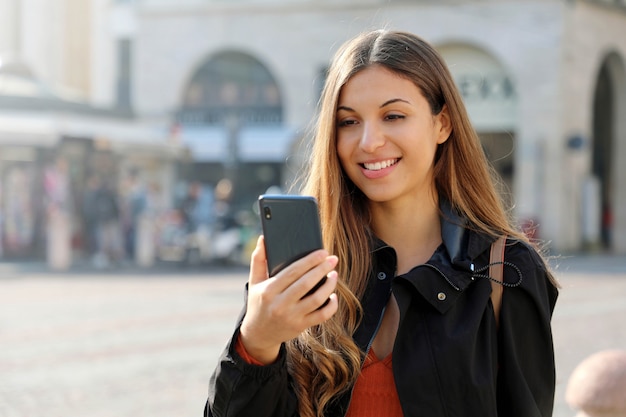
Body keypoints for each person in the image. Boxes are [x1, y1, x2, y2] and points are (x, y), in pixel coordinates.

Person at [205, 29, 559, 417]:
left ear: (442, 124)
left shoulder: (506, 270)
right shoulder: (308, 262)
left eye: (393, 116)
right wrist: (256, 342)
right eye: (348, 122)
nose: (369, 141)